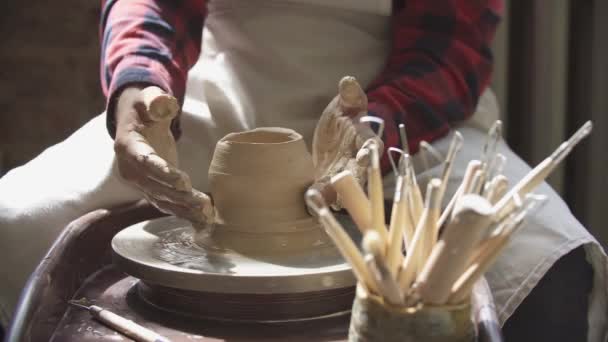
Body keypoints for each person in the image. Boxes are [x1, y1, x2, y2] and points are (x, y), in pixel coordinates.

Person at [0, 0, 605, 340]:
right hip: (221, 88)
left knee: (549, 272)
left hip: (396, 110)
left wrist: (375, 125)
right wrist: (140, 84)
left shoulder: (394, 110)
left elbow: (450, 49)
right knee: (12, 223)